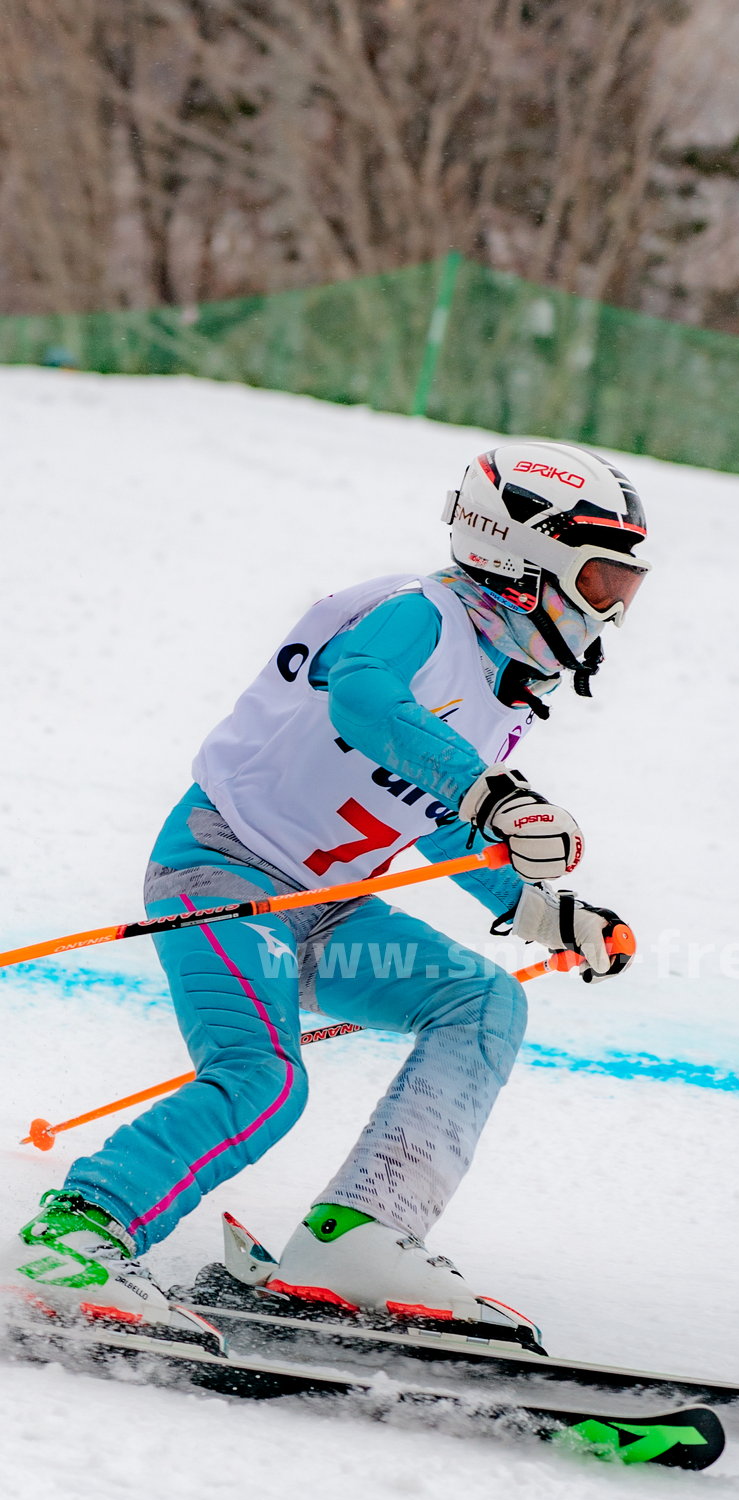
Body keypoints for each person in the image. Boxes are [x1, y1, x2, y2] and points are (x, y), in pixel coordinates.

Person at [2, 440, 648, 1352]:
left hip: (331, 910)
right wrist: (489, 793)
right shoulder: (417, 615)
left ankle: (361, 1234)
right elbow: (364, 702)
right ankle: (76, 1236)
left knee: (483, 1002)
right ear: (525, 552)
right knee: (263, 1079)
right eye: (601, 578)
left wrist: (539, 904)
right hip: (224, 873)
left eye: (626, 584)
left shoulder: (501, 684)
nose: (612, 608)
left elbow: (426, 814)